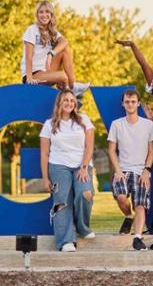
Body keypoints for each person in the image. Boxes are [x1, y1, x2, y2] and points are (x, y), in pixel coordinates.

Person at [39, 90, 96, 252]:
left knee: (85, 194)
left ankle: (82, 227)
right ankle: (66, 241)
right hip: (58, 166)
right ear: (59, 102)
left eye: (72, 100)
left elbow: (89, 146)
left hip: (82, 165)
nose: (69, 103)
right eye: (66, 100)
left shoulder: (84, 120)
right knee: (62, 201)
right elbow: (44, 153)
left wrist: (84, 167)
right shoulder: (49, 124)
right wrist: (45, 178)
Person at [107, 90, 153, 251]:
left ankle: (137, 238)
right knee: (121, 198)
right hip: (123, 169)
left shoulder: (148, 125)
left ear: (138, 103)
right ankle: (128, 216)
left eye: (133, 101)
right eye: (127, 101)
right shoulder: (117, 124)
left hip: (141, 171)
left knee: (140, 205)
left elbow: (151, 151)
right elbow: (111, 150)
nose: (130, 104)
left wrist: (146, 170)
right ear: (123, 104)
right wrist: (118, 170)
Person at [23, 0, 89, 96]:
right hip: (33, 74)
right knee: (63, 76)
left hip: (46, 70)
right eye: (41, 12)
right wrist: (29, 78)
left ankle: (73, 86)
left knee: (65, 50)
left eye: (47, 12)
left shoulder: (52, 32)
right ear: (37, 15)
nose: (44, 15)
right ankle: (68, 91)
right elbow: (28, 57)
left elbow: (64, 42)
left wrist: (51, 54)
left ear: (51, 14)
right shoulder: (32, 30)